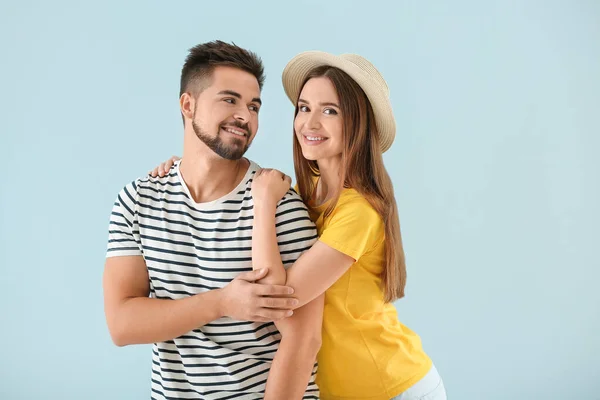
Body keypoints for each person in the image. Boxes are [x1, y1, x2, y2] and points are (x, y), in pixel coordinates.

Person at [152, 52, 447, 400]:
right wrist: (185, 168)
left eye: (330, 111)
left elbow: (280, 299)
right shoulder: (309, 193)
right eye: (304, 108)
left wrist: (263, 204)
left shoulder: (359, 212)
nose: (310, 123)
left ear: (358, 124)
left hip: (389, 386)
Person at [104, 41, 323, 400]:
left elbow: (304, 339)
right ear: (187, 105)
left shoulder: (278, 203)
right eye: (229, 99)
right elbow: (122, 324)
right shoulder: (137, 201)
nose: (245, 116)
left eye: (254, 106)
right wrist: (221, 302)